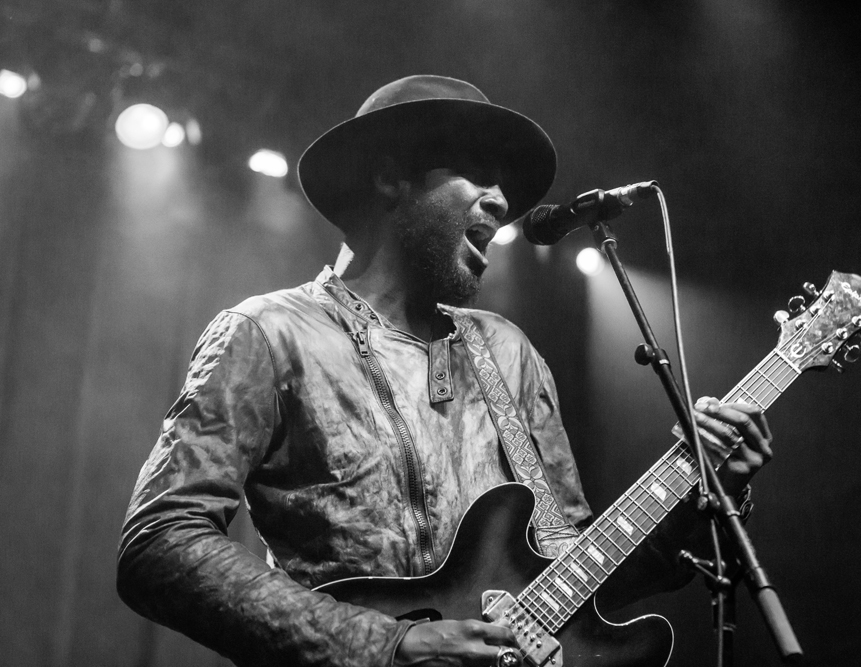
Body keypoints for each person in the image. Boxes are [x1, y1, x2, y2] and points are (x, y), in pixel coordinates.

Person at [117, 75, 773, 667]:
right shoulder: (269, 332)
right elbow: (160, 541)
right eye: (478, 173)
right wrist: (388, 644)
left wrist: (705, 494)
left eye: (503, 185)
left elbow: (575, 575)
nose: (502, 200)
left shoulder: (507, 351)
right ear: (390, 177)